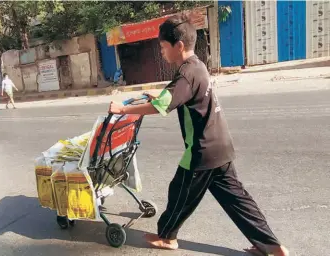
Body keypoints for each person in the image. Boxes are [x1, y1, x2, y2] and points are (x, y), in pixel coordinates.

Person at [108, 17, 289, 256]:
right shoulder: (197, 66)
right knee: (238, 201)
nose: (162, 53)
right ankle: (273, 247)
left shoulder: (185, 74)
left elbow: (161, 106)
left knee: (179, 193)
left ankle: (167, 237)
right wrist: (158, 94)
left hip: (202, 151)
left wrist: (122, 109)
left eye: (163, 47)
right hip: (220, 146)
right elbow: (177, 94)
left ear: (179, 46)